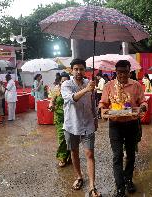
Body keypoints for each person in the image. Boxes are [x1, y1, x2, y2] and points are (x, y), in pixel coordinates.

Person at [99, 60, 147, 197]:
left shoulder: (136, 85)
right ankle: (120, 186)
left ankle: (128, 180)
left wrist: (143, 106)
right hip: (115, 125)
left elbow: (142, 101)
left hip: (132, 123)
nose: (122, 75)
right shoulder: (109, 86)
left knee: (131, 155)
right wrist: (102, 110)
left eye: (125, 72)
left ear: (129, 71)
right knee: (117, 156)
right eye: (119, 72)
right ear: (116, 72)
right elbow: (103, 103)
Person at [61, 58, 101, 197]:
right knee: (74, 152)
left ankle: (92, 186)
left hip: (88, 124)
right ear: (71, 70)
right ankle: (79, 176)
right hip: (71, 125)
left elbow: (93, 103)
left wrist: (96, 119)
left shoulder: (89, 84)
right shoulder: (66, 84)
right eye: (76, 69)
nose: (79, 72)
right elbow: (71, 98)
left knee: (90, 154)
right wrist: (86, 89)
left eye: (81, 69)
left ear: (85, 70)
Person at [48, 72, 71, 167]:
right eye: (62, 81)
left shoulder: (72, 90)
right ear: (60, 81)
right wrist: (51, 106)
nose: (64, 83)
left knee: (69, 139)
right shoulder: (56, 90)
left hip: (70, 118)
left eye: (66, 81)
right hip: (60, 118)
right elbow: (52, 101)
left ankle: (68, 156)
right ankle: (62, 157)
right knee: (62, 138)